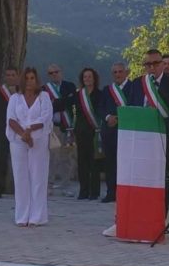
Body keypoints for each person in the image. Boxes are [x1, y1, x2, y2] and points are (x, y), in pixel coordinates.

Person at [126, 49, 169, 184]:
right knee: (142, 175)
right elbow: (130, 108)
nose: (152, 67)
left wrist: (162, 123)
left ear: (161, 64)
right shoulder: (137, 84)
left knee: (164, 176)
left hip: (163, 137)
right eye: (148, 64)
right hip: (141, 138)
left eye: (155, 63)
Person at [6, 67, 53, 226]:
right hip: (18, 140)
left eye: (32, 78)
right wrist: (23, 135)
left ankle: (37, 216)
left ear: (36, 80)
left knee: (38, 177)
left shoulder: (44, 97)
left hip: (38, 139)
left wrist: (29, 130)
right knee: (21, 178)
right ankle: (22, 216)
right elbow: (11, 119)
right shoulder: (15, 98)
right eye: (26, 78)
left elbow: (45, 117)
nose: (29, 81)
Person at [60, 67, 107, 200]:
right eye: (85, 77)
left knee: (94, 162)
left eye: (89, 76)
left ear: (94, 78)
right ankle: (83, 191)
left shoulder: (100, 94)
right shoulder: (78, 95)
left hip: (95, 132)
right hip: (81, 132)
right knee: (82, 162)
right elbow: (66, 105)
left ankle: (94, 192)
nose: (87, 79)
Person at [99, 61, 131, 203]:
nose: (117, 74)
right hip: (110, 132)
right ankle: (111, 192)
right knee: (110, 163)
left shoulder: (134, 87)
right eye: (115, 72)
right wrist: (108, 117)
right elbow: (100, 108)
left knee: (127, 163)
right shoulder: (107, 90)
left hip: (127, 131)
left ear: (126, 72)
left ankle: (126, 194)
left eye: (120, 71)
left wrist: (119, 118)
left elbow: (136, 105)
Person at [0, 67, 20, 198]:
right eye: (8, 75)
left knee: (20, 160)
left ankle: (20, 188)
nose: (10, 77)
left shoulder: (23, 91)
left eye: (13, 75)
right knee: (0, 160)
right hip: (3, 129)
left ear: (17, 76)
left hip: (20, 130)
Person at [43, 64, 76, 144]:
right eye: (51, 73)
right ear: (48, 75)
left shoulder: (70, 86)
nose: (54, 74)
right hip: (53, 128)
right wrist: (64, 101)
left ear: (61, 72)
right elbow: (45, 109)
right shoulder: (44, 89)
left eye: (56, 72)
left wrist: (54, 103)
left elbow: (72, 102)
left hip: (69, 126)